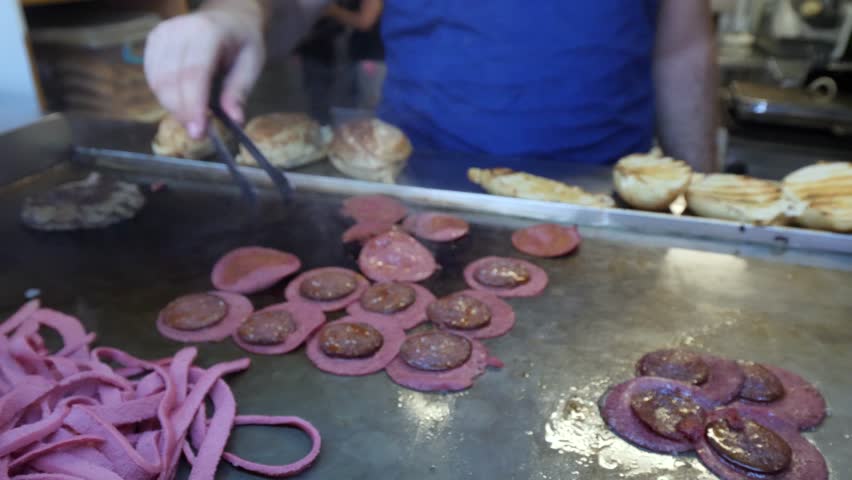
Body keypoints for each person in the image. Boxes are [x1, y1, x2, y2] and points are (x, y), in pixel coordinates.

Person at [144, 1, 717, 173]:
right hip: (418, 185)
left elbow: (683, 47)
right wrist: (236, 15)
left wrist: (703, 197)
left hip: (600, 189)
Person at [324, 0, 386, 109]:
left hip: (371, 57)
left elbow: (365, 21)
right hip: (371, 56)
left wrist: (332, 10)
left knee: (369, 107)